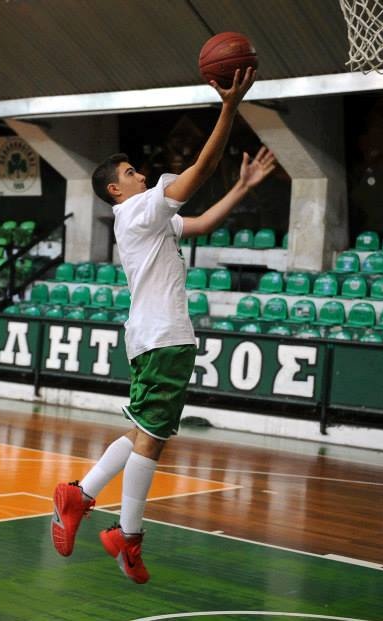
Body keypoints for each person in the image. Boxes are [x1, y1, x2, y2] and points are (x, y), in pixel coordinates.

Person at [51, 66, 277, 584]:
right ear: (116, 189)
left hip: (155, 336)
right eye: (129, 171)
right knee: (152, 439)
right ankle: (126, 537)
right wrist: (229, 107)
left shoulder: (148, 217)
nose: (139, 173)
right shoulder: (138, 211)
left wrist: (241, 187)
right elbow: (203, 164)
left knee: (142, 432)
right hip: (162, 337)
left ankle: (79, 495)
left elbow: (199, 223)